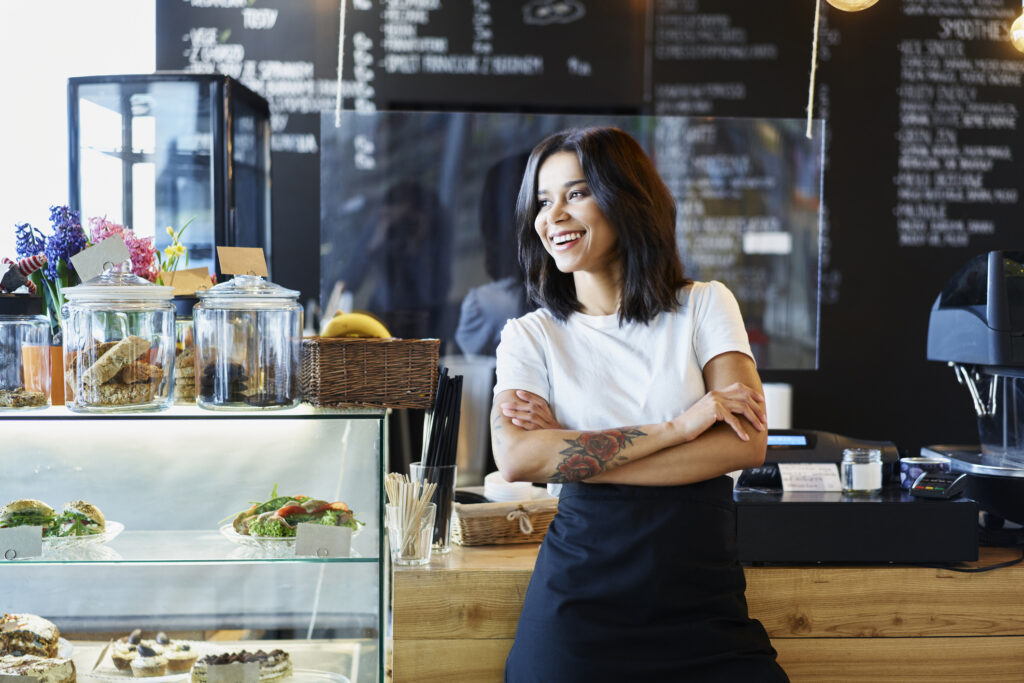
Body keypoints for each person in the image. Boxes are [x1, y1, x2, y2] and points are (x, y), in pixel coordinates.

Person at [490, 126, 789, 682]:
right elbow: (519, 459)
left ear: (628, 199)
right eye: (542, 200)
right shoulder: (529, 337)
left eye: (576, 193)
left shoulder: (704, 305)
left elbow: (746, 444)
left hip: (701, 599)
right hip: (580, 607)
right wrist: (682, 427)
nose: (553, 215)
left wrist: (573, 455)